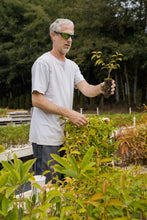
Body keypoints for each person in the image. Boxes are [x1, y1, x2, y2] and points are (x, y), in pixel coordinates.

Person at [29, 18, 115, 183]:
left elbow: (87, 89)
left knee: (64, 188)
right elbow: (37, 100)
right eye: (65, 35)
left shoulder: (72, 66)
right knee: (47, 189)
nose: (69, 40)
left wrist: (101, 87)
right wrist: (69, 113)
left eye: (72, 37)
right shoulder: (43, 63)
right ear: (53, 35)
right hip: (46, 138)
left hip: (65, 138)